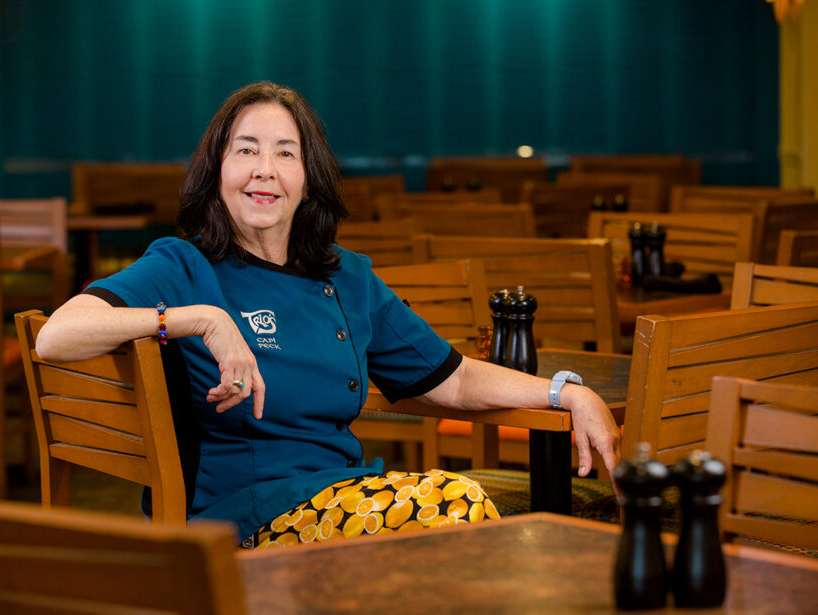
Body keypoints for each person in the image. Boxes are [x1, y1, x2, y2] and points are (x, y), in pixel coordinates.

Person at [37, 81, 621, 548]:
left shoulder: (348, 276)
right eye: (246, 150)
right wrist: (200, 320)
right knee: (456, 507)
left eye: (284, 153)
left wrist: (566, 393)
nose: (264, 169)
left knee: (459, 531)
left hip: (345, 498)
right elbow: (57, 337)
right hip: (236, 522)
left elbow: (454, 377)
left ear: (308, 181)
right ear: (217, 172)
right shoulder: (183, 267)